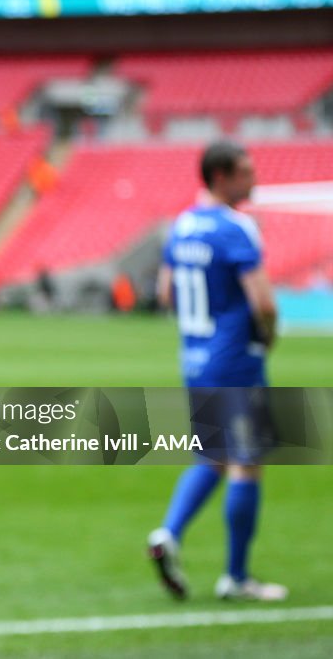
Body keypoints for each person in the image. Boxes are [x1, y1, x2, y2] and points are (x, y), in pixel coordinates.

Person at [148, 140, 286, 602]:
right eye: (247, 170)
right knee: (247, 463)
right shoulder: (237, 228)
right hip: (236, 361)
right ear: (222, 176)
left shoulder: (182, 225)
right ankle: (237, 576)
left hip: (196, 360)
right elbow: (263, 301)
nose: (255, 178)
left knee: (213, 455)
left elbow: (165, 293)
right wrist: (267, 335)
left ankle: (168, 534)